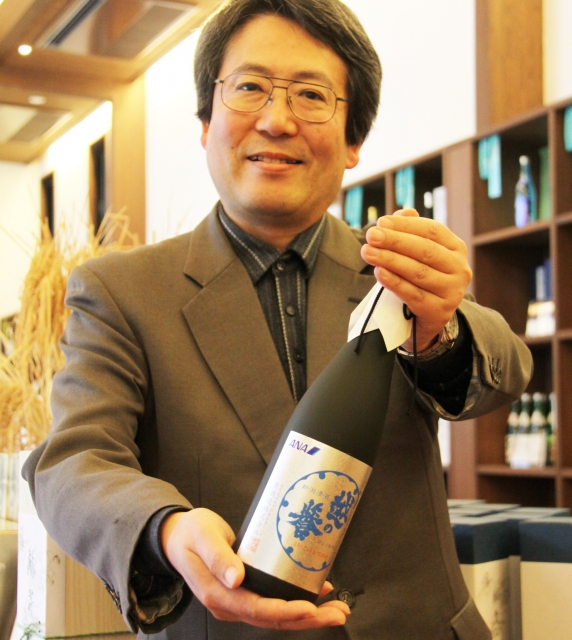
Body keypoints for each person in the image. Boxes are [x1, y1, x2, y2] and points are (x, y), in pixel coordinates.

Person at [23, 0, 532, 638]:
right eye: (249, 88)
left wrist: (440, 332)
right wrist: (166, 528)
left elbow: (509, 366)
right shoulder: (121, 291)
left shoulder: (394, 266)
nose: (276, 120)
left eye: (312, 95)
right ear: (205, 122)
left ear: (353, 142)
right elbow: (74, 463)